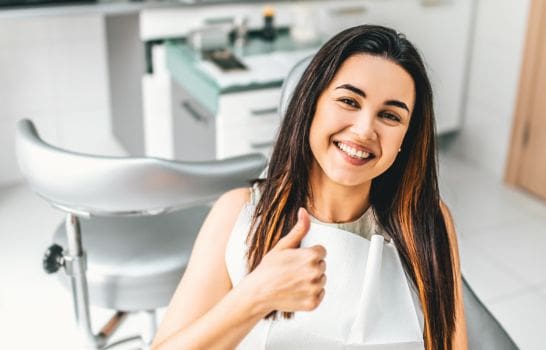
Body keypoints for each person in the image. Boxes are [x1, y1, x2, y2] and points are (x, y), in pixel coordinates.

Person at [152, 24, 467, 350]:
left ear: (406, 139)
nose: (363, 130)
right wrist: (254, 296)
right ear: (311, 105)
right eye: (348, 100)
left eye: (389, 116)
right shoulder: (238, 212)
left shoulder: (425, 220)